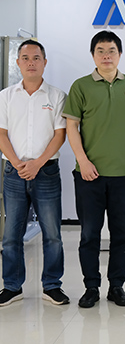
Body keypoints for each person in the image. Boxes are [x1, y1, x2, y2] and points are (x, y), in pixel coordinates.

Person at [62, 30, 125, 308]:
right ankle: (91, 287)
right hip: (89, 175)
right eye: (100, 51)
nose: (106, 56)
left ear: (119, 54)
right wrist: (83, 161)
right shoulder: (80, 86)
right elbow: (71, 127)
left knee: (121, 234)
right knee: (89, 234)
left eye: (111, 51)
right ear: (93, 55)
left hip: (123, 174)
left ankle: (117, 286)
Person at [0, 40, 69, 307]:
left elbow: (60, 135)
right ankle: (12, 286)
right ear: (18, 63)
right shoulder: (6, 96)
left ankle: (52, 286)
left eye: (36, 58)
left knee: (52, 233)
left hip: (46, 171)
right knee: (11, 235)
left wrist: (37, 163)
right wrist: (19, 163)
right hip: (14, 172)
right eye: (26, 58)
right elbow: (2, 134)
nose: (31, 62)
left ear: (44, 62)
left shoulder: (57, 96)